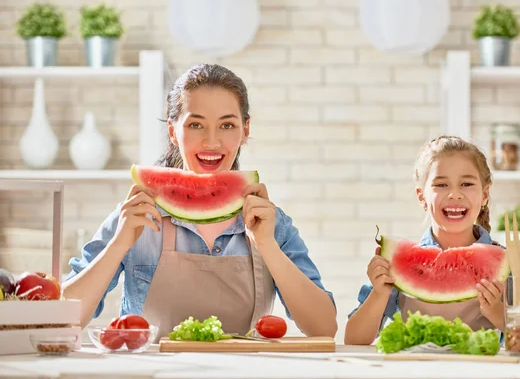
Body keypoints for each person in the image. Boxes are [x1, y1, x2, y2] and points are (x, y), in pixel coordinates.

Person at [63, 64, 337, 339]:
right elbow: (64, 318)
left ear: (245, 130)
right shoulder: (137, 215)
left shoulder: (271, 223)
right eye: (196, 125)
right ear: (173, 132)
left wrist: (267, 245)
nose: (212, 141)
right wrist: (119, 244)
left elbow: (323, 328)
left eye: (227, 125)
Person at [344, 135, 520, 345]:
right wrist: (379, 293)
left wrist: (498, 314)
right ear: (422, 197)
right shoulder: (395, 266)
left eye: (466, 183)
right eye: (441, 184)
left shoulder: (514, 266)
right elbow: (353, 339)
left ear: (484, 195)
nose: (455, 194)